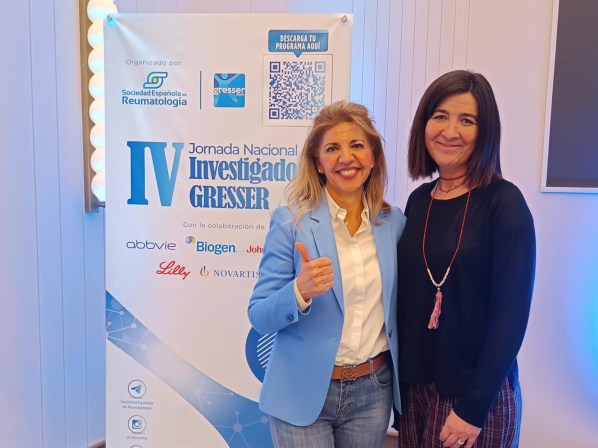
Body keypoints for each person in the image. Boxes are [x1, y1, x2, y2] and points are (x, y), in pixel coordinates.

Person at [248, 101, 406, 448]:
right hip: (301, 390)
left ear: (373, 156)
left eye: (357, 145)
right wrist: (299, 291)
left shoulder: (393, 223)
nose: (346, 158)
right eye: (332, 148)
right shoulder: (291, 222)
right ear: (318, 163)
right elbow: (258, 315)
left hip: (373, 392)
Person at [395, 70, 535, 448]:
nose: (450, 131)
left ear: (486, 131)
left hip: (472, 398)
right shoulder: (418, 201)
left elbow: (511, 315)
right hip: (416, 390)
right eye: (440, 116)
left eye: (467, 120)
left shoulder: (504, 203)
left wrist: (473, 408)